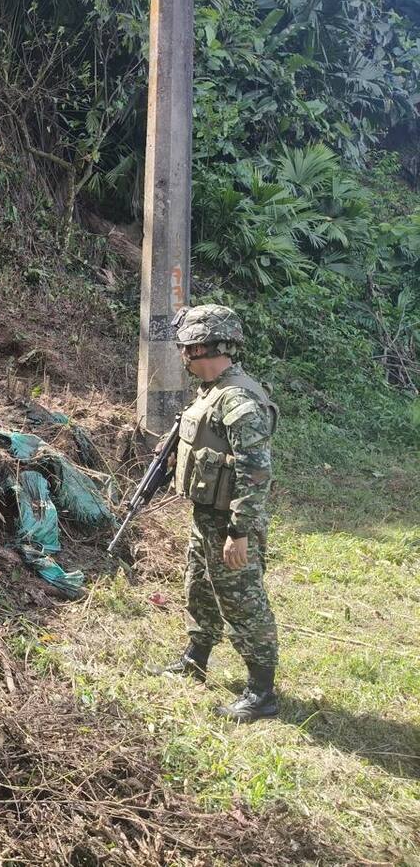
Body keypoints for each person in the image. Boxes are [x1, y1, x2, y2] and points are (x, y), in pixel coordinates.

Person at [157, 304, 281, 723]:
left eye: (187, 347)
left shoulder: (239, 399)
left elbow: (256, 473)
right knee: (200, 589)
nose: (183, 354)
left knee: (243, 603)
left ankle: (262, 693)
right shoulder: (211, 392)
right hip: (206, 515)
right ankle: (196, 658)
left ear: (202, 347)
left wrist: (240, 531)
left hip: (231, 521)